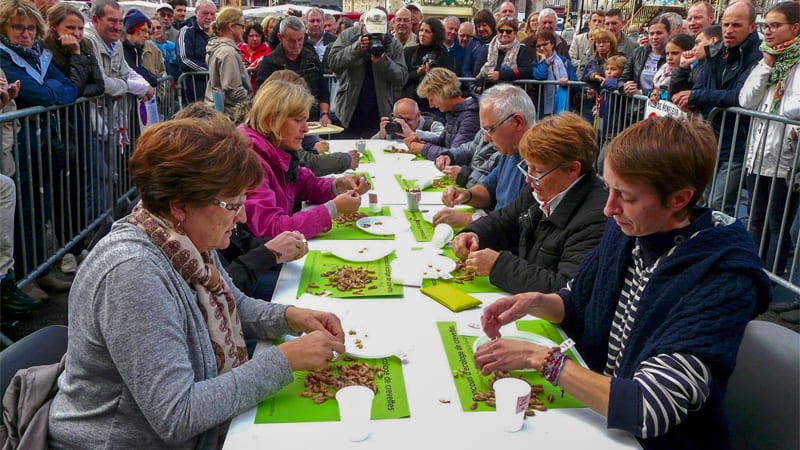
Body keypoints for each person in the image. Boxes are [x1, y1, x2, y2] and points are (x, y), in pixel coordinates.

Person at [48, 114, 347, 448]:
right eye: (233, 204)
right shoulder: (133, 273)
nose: (243, 216)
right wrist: (285, 359)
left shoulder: (182, 239)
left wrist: (292, 316)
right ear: (180, 206)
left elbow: (237, 303)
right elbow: (178, 414)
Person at [474, 116, 771, 449]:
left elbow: (649, 406)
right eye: (609, 188)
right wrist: (535, 302)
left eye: (626, 197)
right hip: (603, 421)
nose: (608, 208)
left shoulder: (723, 278)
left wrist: (541, 358)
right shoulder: (629, 230)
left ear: (679, 199)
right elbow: (576, 300)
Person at [453, 112, 607, 294]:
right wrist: (474, 234)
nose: (528, 179)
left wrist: (498, 266)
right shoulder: (538, 189)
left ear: (572, 169)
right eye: (528, 167)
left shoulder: (596, 217)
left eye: (538, 170)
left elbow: (564, 289)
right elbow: (502, 220)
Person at [239, 81, 369, 239]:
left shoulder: (274, 146)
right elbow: (269, 229)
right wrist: (333, 209)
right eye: (298, 120)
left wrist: (338, 185)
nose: (306, 128)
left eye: (306, 120)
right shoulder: (248, 159)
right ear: (270, 121)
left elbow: (304, 184)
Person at [674, 1, 762, 215]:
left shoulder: (758, 56)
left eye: (737, 25)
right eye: (726, 24)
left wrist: (696, 96)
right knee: (704, 200)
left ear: (752, 27)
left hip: (738, 142)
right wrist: (694, 98)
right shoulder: (715, 52)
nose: (729, 30)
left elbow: (739, 97)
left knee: (719, 204)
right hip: (711, 137)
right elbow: (701, 86)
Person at [739, 1, 799, 277]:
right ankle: (752, 270)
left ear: (795, 28)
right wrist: (766, 65)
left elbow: (793, 106)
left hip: (784, 156)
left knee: (777, 222)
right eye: (766, 26)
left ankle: (771, 276)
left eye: (775, 25)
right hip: (758, 152)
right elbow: (745, 99)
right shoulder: (766, 59)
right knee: (756, 217)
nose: (769, 32)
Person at [434, 83, 535, 227]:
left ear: (518, 122)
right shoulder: (510, 150)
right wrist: (466, 195)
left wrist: (471, 219)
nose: (486, 138)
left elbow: (521, 224)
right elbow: (488, 190)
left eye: (490, 130)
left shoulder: (538, 165)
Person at [327, 8, 407, 139]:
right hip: (348, 110)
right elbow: (333, 62)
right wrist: (356, 48)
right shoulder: (348, 36)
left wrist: (384, 62)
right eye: (371, 32)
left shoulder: (393, 44)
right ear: (363, 26)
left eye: (379, 33)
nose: (374, 36)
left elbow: (402, 77)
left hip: (379, 111)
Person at [255, 16, 331, 126]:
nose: (297, 45)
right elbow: (261, 96)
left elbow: (323, 90)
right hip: (281, 123)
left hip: (310, 121)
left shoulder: (312, 59)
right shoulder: (269, 62)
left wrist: (324, 114)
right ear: (280, 37)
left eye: (300, 39)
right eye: (291, 40)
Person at [406, 67, 480, 160]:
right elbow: (443, 140)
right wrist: (421, 140)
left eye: (431, 99)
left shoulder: (470, 115)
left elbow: (455, 154)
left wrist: (423, 148)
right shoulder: (454, 111)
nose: (431, 105)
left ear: (441, 92)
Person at [42, 2, 104, 98]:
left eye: (80, 28)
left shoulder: (85, 44)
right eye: (70, 28)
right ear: (54, 26)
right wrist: (75, 53)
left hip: (81, 111)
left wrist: (74, 92)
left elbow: (99, 86)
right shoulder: (44, 48)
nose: (77, 33)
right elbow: (70, 87)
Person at [203, 7, 250, 119]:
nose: (244, 30)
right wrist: (250, 100)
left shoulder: (216, 47)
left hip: (218, 111)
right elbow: (232, 89)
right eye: (242, 26)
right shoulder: (228, 52)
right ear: (231, 27)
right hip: (231, 115)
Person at [403, 17, 453, 112]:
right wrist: (417, 73)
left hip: (433, 106)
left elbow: (448, 81)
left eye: (427, 31)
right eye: (421, 30)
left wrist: (432, 74)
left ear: (435, 34)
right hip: (410, 103)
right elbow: (401, 78)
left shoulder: (442, 54)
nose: (422, 34)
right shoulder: (409, 52)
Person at [473, 17, 531, 94]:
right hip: (490, 94)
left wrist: (501, 75)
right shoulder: (487, 48)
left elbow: (527, 71)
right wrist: (489, 75)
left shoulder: (522, 49)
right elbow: (477, 71)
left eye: (508, 31)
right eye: (501, 31)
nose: (504, 34)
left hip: (513, 95)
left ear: (515, 32)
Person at [619, 14, 669, 97]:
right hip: (636, 107)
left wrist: (642, 92)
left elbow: (670, 89)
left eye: (659, 33)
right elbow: (623, 78)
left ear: (669, 33)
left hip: (659, 107)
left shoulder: (674, 55)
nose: (654, 37)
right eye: (651, 34)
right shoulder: (638, 52)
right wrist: (626, 86)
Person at [176, 0, 215, 103]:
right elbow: (185, 60)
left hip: (215, 88)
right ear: (196, 13)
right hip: (195, 91)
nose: (209, 17)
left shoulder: (217, 33)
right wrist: (211, 71)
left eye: (212, 14)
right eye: (205, 13)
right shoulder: (186, 31)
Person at [532, 30, 578, 116]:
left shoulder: (565, 61)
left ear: (552, 44)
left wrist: (568, 83)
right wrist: (544, 61)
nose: (541, 48)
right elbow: (540, 76)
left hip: (564, 108)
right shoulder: (535, 63)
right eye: (538, 46)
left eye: (545, 44)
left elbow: (576, 85)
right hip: (543, 110)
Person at [435, 128, 500, 189]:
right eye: (484, 129)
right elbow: (470, 148)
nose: (485, 139)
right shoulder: (485, 130)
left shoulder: (507, 152)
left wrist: (465, 176)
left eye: (489, 131)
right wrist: (450, 156)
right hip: (471, 190)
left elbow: (499, 189)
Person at [669, 25, 721, 98]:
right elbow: (677, 96)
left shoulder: (723, 66)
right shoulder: (697, 66)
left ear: (713, 41)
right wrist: (682, 68)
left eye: (697, 43)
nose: (693, 49)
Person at [649, 33, 695, 103]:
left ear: (687, 52)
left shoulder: (692, 73)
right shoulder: (662, 71)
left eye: (675, 53)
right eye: (667, 54)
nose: (669, 58)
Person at [374, 97, 444, 141]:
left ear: (418, 115)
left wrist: (413, 134)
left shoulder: (431, 125)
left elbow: (444, 139)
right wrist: (381, 136)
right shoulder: (391, 126)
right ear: (393, 115)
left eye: (408, 119)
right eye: (400, 118)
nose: (404, 124)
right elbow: (370, 147)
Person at [122, 9, 159, 88]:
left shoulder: (137, 49)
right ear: (131, 28)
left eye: (148, 32)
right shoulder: (121, 49)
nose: (147, 36)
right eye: (143, 30)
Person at [569, 10, 605, 79]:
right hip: (579, 78)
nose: (597, 24)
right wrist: (587, 64)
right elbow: (571, 61)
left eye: (600, 21)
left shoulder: (607, 41)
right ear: (589, 22)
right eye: (594, 21)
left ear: (603, 24)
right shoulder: (578, 39)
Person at [238, 21, 270, 92]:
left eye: (258, 36)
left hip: (260, 90)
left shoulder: (267, 51)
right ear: (246, 36)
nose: (255, 39)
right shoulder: (238, 49)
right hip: (241, 91)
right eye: (251, 36)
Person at [463, 9, 496, 77]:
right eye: (478, 26)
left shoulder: (498, 41)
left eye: (484, 25)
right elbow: (465, 69)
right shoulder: (472, 43)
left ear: (491, 25)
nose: (481, 29)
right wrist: (473, 86)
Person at [150, 15, 181, 82]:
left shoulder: (172, 45)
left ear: (163, 28)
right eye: (152, 29)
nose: (156, 30)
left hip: (175, 84)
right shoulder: (148, 46)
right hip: (159, 85)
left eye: (158, 27)